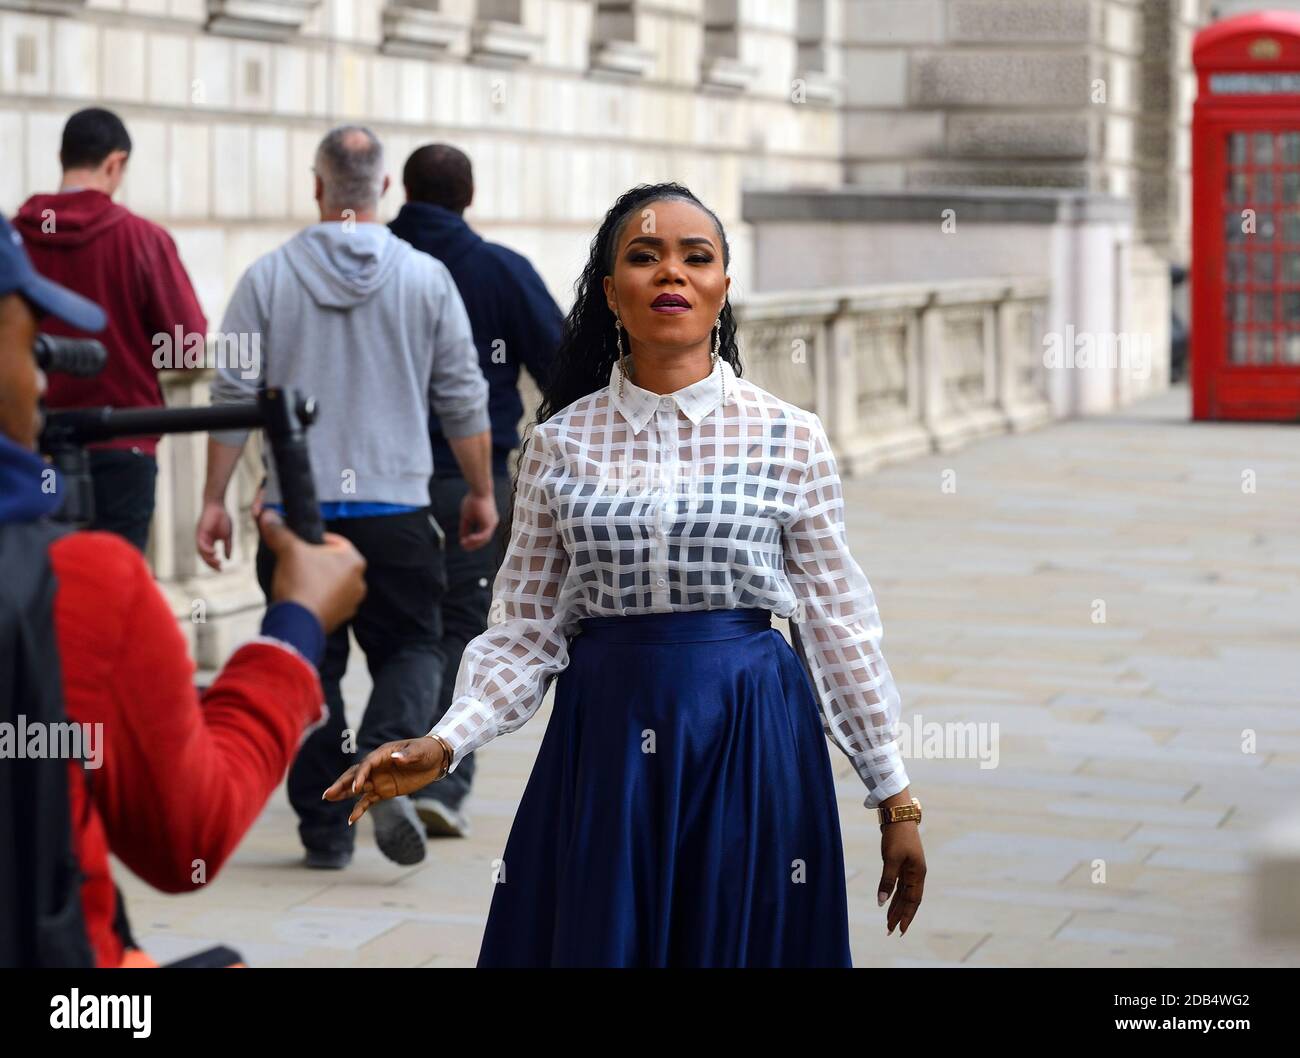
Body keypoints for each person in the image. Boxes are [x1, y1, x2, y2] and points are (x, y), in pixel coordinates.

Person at [325, 182, 928, 967]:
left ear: (723, 284)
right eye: (644, 258)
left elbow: (835, 624)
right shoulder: (558, 444)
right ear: (612, 292)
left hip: (752, 736)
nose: (670, 274)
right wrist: (445, 742)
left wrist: (894, 796)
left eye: (695, 257)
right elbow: (525, 631)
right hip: (606, 738)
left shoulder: (791, 437)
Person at [0, 215, 367, 967]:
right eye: (26, 335)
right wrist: (293, 631)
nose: (41, 377)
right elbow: (187, 837)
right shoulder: (77, 584)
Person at [198, 126, 496, 871]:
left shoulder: (267, 277)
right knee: (415, 648)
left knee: (310, 671)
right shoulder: (426, 278)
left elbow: (232, 395)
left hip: (301, 520)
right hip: (397, 507)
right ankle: (379, 754)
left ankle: (326, 830)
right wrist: (482, 491)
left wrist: (211, 499)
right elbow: (463, 396)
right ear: (385, 189)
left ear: (318, 187)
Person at [388, 144, 562, 838]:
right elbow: (563, 367)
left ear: (404, 190)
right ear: (469, 195)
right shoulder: (499, 269)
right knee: (464, 628)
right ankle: (441, 778)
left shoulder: (372, 262)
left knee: (398, 631)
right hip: (471, 476)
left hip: (374, 480)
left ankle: (379, 755)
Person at [13, 107, 208, 552]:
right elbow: (188, 347)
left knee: (40, 592)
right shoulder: (141, 239)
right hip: (123, 444)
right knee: (113, 597)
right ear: (115, 162)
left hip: (31, 447)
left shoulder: (15, 239)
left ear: (62, 156)